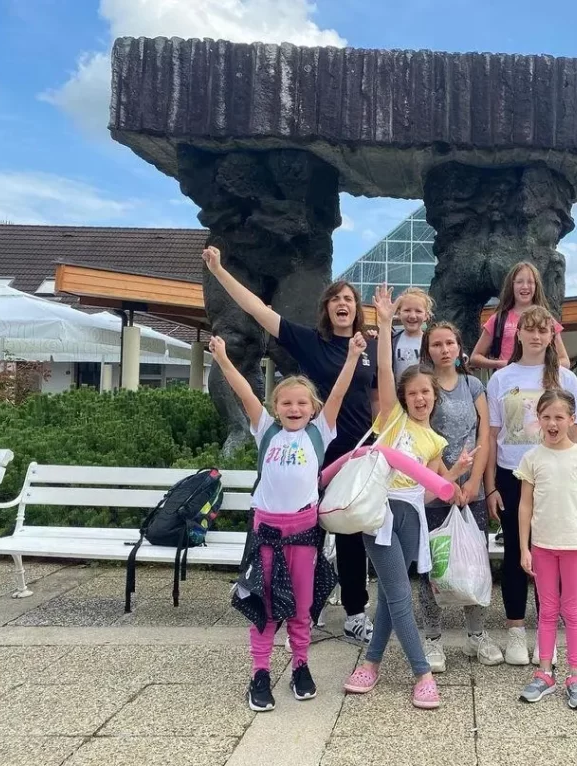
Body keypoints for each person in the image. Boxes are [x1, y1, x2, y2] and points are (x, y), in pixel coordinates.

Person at [202, 245, 377, 647]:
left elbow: (377, 398)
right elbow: (257, 309)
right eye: (335, 299)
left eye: (349, 299)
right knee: (305, 536)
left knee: (351, 537)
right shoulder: (309, 341)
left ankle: (355, 614)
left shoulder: (367, 348)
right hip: (313, 453)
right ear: (326, 309)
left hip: (356, 454)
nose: (342, 304)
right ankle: (304, 610)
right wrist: (220, 271)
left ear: (357, 309)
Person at [208, 332, 364, 712]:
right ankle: (260, 672)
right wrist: (224, 359)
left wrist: (352, 357)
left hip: (304, 534)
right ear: (275, 408)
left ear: (313, 408)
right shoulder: (266, 430)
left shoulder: (319, 432)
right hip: (266, 534)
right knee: (263, 606)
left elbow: (339, 393)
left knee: (302, 606)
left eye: (301, 403)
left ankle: (300, 666)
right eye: (286, 402)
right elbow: (244, 391)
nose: (294, 408)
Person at [343, 286, 476, 710]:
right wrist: (385, 323)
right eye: (414, 393)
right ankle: (422, 674)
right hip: (380, 517)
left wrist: (456, 473)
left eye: (427, 394)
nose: (420, 398)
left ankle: (371, 664)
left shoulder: (435, 440)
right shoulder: (391, 419)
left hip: (413, 520)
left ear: (435, 398)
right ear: (404, 397)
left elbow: (435, 487)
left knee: (389, 596)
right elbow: (385, 368)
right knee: (400, 595)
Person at [484, 305, 577, 666]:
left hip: (556, 477)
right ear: (519, 333)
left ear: (552, 336)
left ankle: (548, 632)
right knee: (515, 552)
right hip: (512, 475)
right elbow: (491, 437)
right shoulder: (501, 379)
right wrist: (491, 486)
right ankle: (515, 630)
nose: (537, 336)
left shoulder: (566, 379)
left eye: (544, 330)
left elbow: (576, 434)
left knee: (550, 554)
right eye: (531, 329)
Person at [417, 320, 504, 670]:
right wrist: (447, 482)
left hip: (472, 490)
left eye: (449, 343)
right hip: (433, 487)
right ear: (428, 350)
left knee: (474, 562)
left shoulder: (472, 385)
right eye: (436, 344)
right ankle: (433, 638)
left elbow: (484, 435)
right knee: (433, 565)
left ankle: (476, 634)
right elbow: (424, 435)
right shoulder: (423, 385)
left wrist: (473, 482)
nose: (444, 349)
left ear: (459, 347)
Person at [516, 389, 577, 710]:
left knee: (573, 611)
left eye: (559, 417)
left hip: (575, 545)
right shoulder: (532, 458)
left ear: (571, 419)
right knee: (548, 610)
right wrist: (524, 548)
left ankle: (576, 675)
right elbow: (525, 505)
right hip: (542, 546)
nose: (553, 423)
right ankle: (545, 672)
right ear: (538, 419)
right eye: (546, 417)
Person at [470, 262, 571, 370]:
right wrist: (501, 364)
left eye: (530, 282)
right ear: (512, 285)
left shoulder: (547, 320)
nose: (525, 286)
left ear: (536, 286)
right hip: (509, 378)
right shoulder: (498, 319)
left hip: (539, 379)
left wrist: (541, 367)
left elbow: (565, 361)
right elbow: (475, 357)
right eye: (519, 282)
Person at [392, 287, 432, 381]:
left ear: (426, 315)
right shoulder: (391, 340)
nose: (412, 316)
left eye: (418, 311)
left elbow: (455, 362)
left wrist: (459, 360)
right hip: (398, 389)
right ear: (399, 313)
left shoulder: (432, 341)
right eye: (407, 310)